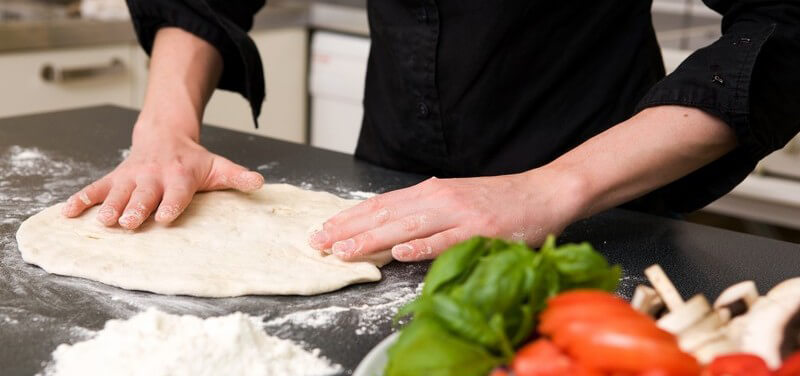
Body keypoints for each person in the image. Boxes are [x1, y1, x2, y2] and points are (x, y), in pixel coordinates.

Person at [62, 0, 799, 263]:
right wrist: (165, 127)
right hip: (387, 189)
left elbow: (784, 21)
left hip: (598, 207)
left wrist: (550, 188)